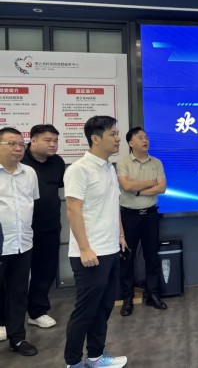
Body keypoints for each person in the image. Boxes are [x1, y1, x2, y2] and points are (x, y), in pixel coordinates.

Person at [63, 116, 127, 368]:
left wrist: (120, 235)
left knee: (104, 307)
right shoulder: (79, 169)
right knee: (86, 310)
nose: (118, 138)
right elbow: (73, 210)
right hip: (90, 253)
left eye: (117, 133)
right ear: (95, 138)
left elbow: (114, 205)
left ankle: (95, 356)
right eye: (113, 134)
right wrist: (85, 248)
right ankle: (73, 362)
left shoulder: (109, 168)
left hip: (110, 249)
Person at [117, 127, 167, 316]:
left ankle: (153, 294)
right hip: (129, 216)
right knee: (127, 257)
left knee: (152, 256)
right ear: (131, 143)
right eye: (140, 138)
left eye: (146, 137)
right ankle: (127, 298)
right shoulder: (123, 162)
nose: (145, 140)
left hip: (150, 215)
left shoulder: (156, 162)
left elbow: (162, 188)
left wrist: (137, 190)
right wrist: (150, 183)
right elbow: (126, 185)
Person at [21, 124, 65, 328]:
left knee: (45, 271)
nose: (53, 144)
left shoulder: (57, 162)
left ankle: (37, 311)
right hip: (21, 228)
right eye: (48, 140)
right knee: (13, 273)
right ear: (33, 140)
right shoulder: (20, 160)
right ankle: (4, 318)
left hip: (49, 226)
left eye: (55, 141)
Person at [0, 127, 39, 356]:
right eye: (11, 144)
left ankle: (17, 338)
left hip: (23, 242)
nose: (18, 148)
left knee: (18, 293)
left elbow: (30, 203)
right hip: (1, 244)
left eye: (21, 144)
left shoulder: (29, 173)